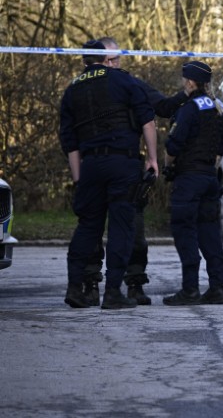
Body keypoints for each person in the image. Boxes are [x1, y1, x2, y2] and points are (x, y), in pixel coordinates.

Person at [82, 37, 189, 306]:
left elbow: (162, 108)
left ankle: (134, 283)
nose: (112, 64)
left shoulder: (131, 83)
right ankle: (90, 284)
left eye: (116, 59)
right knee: (91, 230)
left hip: (126, 165)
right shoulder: (83, 87)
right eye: (107, 60)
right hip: (94, 166)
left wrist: (191, 93)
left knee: (132, 229)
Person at [59, 40, 159, 309]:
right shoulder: (124, 82)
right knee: (121, 227)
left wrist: (79, 178)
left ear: (84, 61)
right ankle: (113, 292)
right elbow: (148, 121)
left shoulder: (72, 90)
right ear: (106, 59)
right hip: (122, 162)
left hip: (90, 165)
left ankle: (75, 287)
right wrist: (152, 159)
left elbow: (70, 142)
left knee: (87, 227)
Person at [162, 61, 223, 306]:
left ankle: (190, 289)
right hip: (209, 179)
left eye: (185, 80)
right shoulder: (219, 107)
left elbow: (173, 145)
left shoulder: (189, 108)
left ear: (191, 82)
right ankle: (217, 288)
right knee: (210, 233)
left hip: (189, 179)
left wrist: (167, 164)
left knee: (185, 232)